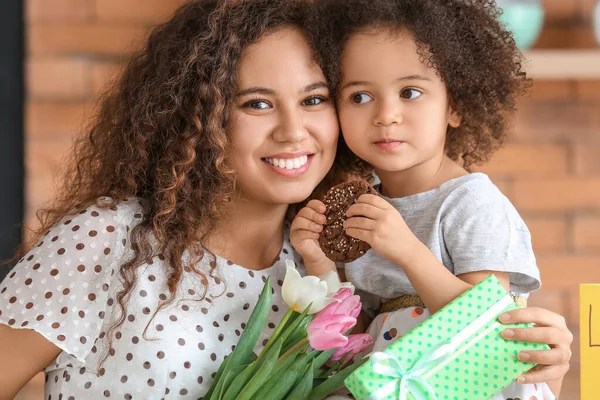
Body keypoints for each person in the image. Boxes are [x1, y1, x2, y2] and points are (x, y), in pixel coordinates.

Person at [0, 0, 344, 398]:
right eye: (257, 104)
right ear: (195, 116)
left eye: (314, 99)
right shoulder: (109, 238)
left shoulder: (317, 269)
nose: (293, 131)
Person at [290, 0, 573, 398]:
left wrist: (408, 250)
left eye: (410, 92)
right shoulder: (360, 209)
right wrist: (319, 262)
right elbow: (358, 336)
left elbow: (488, 322)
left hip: (469, 381)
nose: (386, 114)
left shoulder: (472, 203)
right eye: (359, 97)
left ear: (454, 105)